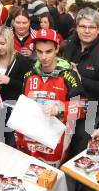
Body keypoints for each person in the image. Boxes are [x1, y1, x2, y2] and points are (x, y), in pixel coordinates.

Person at [15, 28, 86, 167]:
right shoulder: (29, 75)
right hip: (32, 140)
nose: (44, 57)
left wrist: (60, 108)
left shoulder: (69, 75)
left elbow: (83, 106)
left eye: (48, 51)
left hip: (57, 142)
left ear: (57, 49)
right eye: (40, 52)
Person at [63, 7, 99, 102]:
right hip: (66, 104)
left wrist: (81, 79)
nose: (87, 31)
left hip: (90, 111)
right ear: (77, 28)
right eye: (83, 26)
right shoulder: (70, 44)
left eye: (91, 27)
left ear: (98, 29)